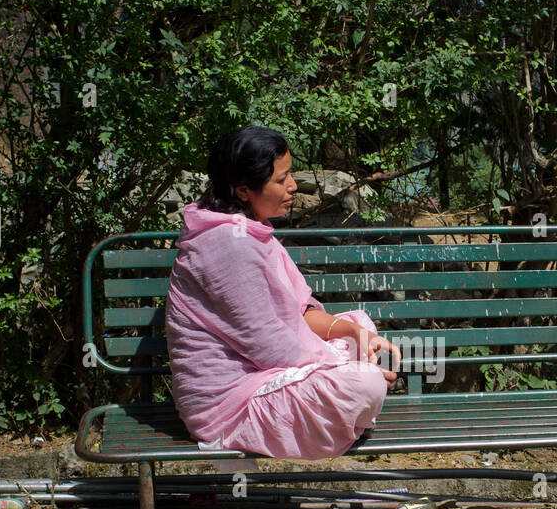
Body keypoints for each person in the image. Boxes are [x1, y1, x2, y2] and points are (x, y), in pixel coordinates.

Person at [165, 124, 400, 461]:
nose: (292, 186)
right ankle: (350, 410)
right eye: (280, 180)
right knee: (365, 383)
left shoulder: (252, 232)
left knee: (359, 325)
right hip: (229, 408)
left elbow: (302, 313)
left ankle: (349, 405)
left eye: (290, 175)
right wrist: (345, 366)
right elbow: (270, 346)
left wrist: (355, 334)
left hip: (269, 372)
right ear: (244, 190)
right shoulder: (227, 244)